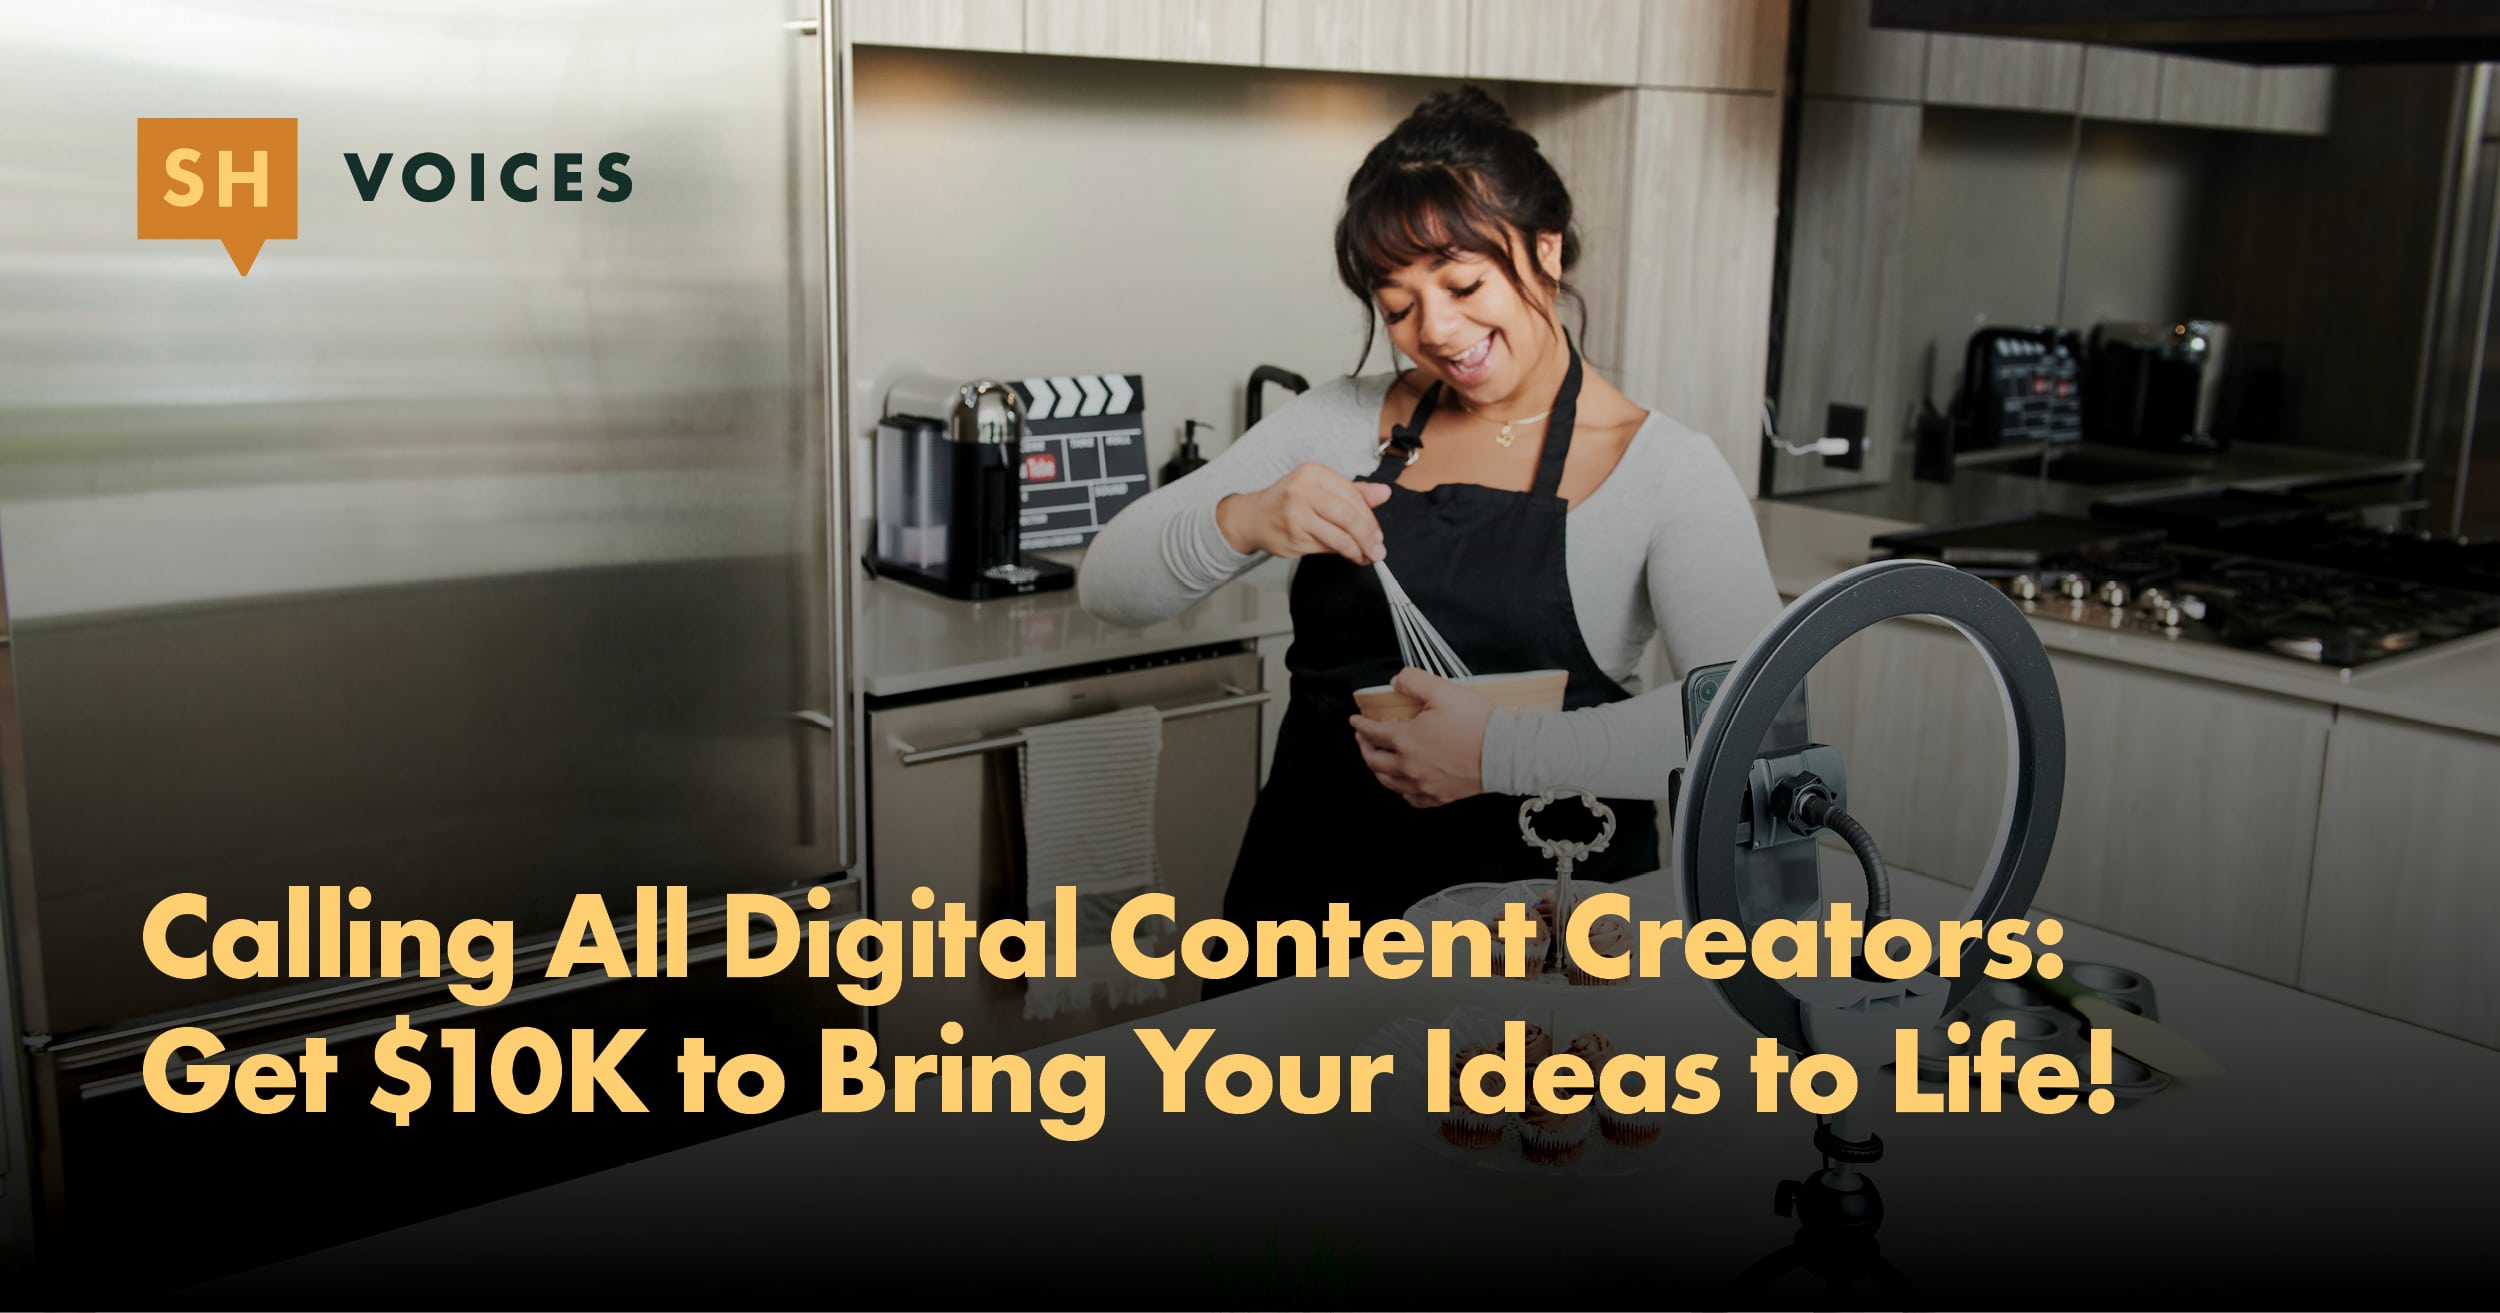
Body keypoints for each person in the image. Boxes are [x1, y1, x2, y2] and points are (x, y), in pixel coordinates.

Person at [1079, 86, 1780, 993]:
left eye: (1462, 284)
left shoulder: (1663, 470)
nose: (1437, 332)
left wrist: (1501, 756)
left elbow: (1758, 725)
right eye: (1398, 304)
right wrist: (1246, 517)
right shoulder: (1339, 420)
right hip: (1306, 916)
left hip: (1536, 942)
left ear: (1545, 249)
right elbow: (1108, 583)